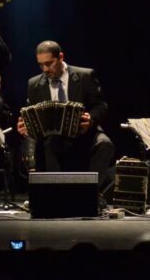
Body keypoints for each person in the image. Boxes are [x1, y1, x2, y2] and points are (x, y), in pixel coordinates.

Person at [16, 41, 115, 187]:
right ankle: (58, 194)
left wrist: (91, 119)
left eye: (49, 63)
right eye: (41, 64)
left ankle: (91, 193)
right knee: (50, 144)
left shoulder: (85, 76)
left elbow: (101, 106)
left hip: (84, 132)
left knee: (105, 144)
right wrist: (26, 126)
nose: (45, 69)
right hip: (53, 136)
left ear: (61, 57)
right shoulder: (34, 84)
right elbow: (31, 113)